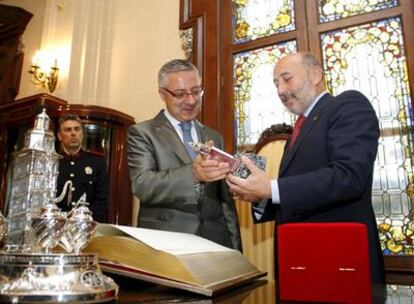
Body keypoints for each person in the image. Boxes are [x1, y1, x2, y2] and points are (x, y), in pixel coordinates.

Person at [226, 52, 385, 285]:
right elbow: (296, 195)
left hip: (340, 261)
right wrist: (257, 195)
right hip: (299, 260)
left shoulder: (348, 104)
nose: (280, 90)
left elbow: (348, 176)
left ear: (315, 74)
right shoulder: (298, 130)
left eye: (287, 79)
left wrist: (271, 188)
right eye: (276, 84)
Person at [127, 59, 242, 251]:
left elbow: (225, 203)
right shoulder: (143, 133)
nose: (191, 100)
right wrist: (193, 175)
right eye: (180, 94)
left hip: (215, 242)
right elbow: (143, 185)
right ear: (162, 94)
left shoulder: (214, 136)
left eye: (196, 91)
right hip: (166, 243)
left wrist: (235, 248)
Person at [56, 114, 108, 222]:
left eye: (77, 129)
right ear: (59, 136)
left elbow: (102, 200)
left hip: (86, 224)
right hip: (56, 225)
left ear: (82, 134)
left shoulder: (97, 162)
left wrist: (87, 222)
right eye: (68, 130)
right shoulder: (52, 162)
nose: (73, 133)